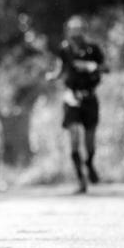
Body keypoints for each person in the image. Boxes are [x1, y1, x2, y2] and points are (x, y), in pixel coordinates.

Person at [46, 16, 106, 193]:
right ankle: (81, 180)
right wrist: (53, 76)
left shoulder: (93, 49)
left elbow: (106, 67)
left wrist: (89, 66)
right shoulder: (65, 49)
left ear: (83, 31)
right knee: (73, 137)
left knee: (89, 140)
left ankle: (90, 163)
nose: (75, 34)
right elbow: (61, 69)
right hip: (71, 97)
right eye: (72, 30)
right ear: (68, 31)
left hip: (90, 98)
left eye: (78, 30)